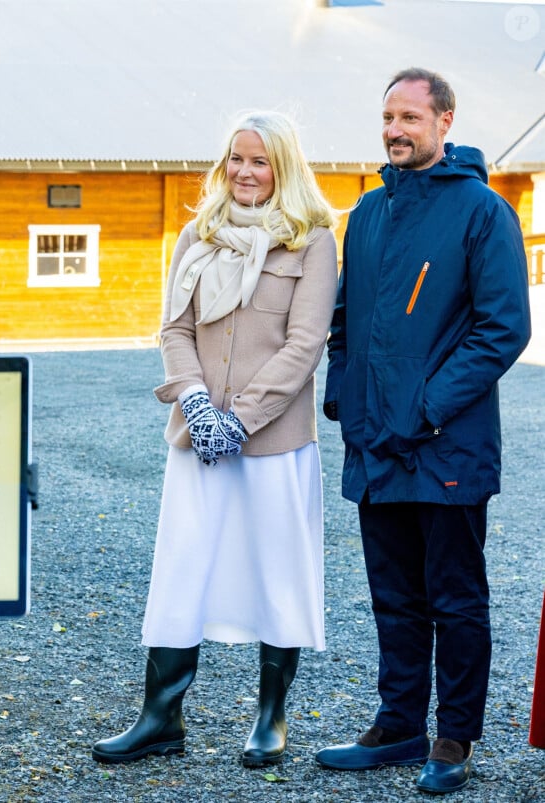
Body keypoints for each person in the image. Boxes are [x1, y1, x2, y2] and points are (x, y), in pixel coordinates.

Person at [91, 110, 339, 768]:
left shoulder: (312, 241)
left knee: (277, 570)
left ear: (283, 166)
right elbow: (174, 329)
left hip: (272, 442)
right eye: (236, 158)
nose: (246, 171)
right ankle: (160, 716)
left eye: (260, 160)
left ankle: (271, 717)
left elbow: (304, 345)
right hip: (197, 437)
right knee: (182, 566)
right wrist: (198, 405)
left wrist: (240, 418)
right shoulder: (195, 235)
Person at [315, 68, 531, 795]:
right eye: (387, 117)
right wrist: (344, 393)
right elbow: (345, 320)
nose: (395, 129)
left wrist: (429, 405)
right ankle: (399, 723)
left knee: (456, 596)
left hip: (447, 447)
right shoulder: (367, 213)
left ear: (444, 121)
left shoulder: (482, 211)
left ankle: (454, 737)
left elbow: (504, 327)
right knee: (393, 595)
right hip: (376, 444)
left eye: (409, 116)